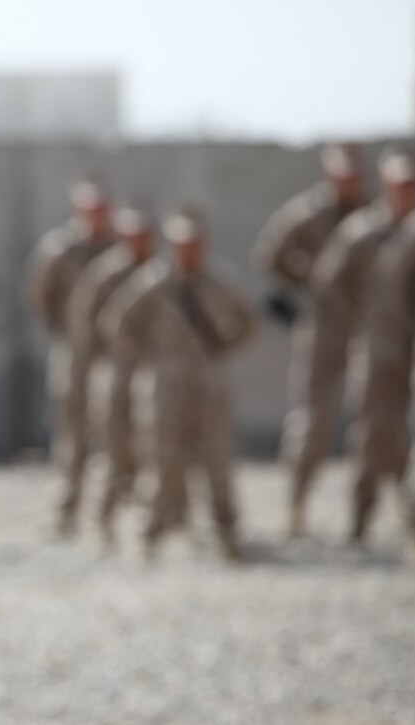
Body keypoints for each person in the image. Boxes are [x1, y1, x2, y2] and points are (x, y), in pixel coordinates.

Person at [102, 209, 256, 561]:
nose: (187, 251)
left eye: (193, 244)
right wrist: (149, 357)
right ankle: (153, 532)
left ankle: (226, 531)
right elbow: (118, 323)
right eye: (180, 244)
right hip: (164, 387)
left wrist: (223, 347)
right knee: (160, 459)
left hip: (208, 386)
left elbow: (249, 321)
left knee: (216, 460)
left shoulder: (219, 281)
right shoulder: (151, 283)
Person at [250, 144, 366, 537]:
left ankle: (368, 516)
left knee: (377, 418)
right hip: (323, 326)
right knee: (313, 419)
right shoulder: (307, 213)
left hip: (371, 326)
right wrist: (307, 286)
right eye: (341, 175)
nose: (347, 182)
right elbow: (270, 256)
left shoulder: (374, 215)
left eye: (353, 175)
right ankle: (296, 505)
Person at [313, 146, 415, 542]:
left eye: (413, 184)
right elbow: (329, 281)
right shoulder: (363, 230)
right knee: (373, 434)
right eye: (400, 185)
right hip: (380, 348)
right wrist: (360, 317)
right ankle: (361, 520)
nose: (407, 192)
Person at [24, 178, 115, 535]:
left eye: (102, 209)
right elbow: (39, 294)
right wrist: (66, 327)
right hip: (76, 350)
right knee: (73, 428)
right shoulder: (60, 250)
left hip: (115, 353)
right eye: (90, 210)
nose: (97, 216)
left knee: (117, 428)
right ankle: (69, 508)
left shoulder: (120, 247)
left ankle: (110, 512)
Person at [65, 203, 155, 546]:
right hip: (114, 371)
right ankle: (103, 519)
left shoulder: (161, 273)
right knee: (111, 446)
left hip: (152, 373)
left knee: (152, 447)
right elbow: (84, 324)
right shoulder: (106, 274)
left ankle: (153, 519)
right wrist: (92, 369)